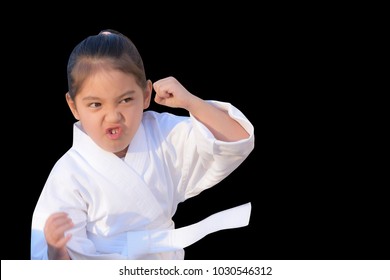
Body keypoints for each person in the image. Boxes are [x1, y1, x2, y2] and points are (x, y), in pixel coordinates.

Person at [31, 29, 255, 260]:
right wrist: (55, 250)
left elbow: (237, 140)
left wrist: (191, 102)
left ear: (146, 94)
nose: (112, 116)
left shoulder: (161, 134)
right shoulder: (69, 173)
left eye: (126, 100)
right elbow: (56, 268)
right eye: (96, 104)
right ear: (73, 106)